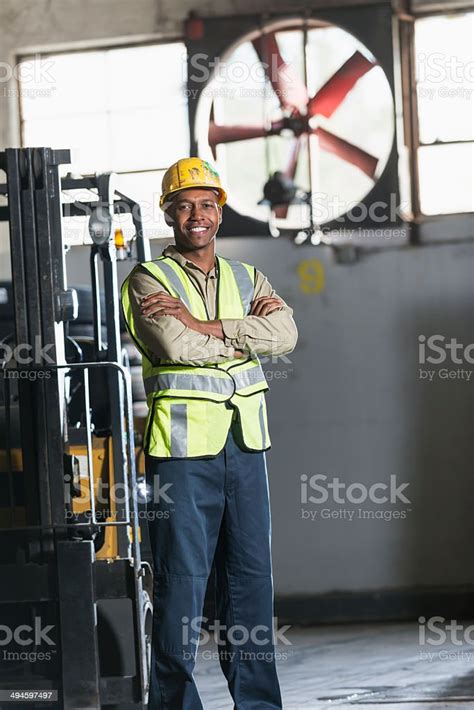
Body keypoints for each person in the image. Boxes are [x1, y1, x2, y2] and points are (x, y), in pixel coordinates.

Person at [121, 157, 298, 709]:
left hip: (244, 447)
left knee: (250, 584)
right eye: (184, 205)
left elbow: (286, 334)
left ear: (219, 210)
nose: (196, 215)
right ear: (168, 213)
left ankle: (259, 705)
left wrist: (208, 326)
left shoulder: (249, 277)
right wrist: (244, 334)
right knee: (181, 586)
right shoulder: (149, 279)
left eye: (206, 204)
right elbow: (177, 347)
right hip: (183, 455)